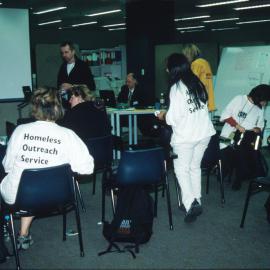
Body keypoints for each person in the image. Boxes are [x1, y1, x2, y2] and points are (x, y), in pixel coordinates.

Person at [0, 87, 94, 250]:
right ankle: (23, 234)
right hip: (58, 195)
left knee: (17, 183)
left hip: (21, 196)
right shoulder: (68, 135)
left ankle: (7, 227)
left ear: (35, 108)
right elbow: (87, 169)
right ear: (58, 108)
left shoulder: (20, 131)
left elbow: (7, 166)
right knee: (36, 185)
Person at [156, 53, 215, 223]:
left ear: (173, 68)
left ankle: (190, 204)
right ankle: (197, 199)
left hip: (186, 137)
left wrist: (163, 116)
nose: (166, 70)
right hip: (204, 133)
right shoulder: (197, 82)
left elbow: (173, 118)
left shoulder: (176, 88)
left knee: (182, 170)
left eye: (167, 66)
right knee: (195, 167)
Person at [219, 84, 270, 190]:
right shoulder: (239, 99)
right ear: (258, 97)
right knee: (237, 150)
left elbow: (260, 125)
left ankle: (239, 177)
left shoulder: (260, 108)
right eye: (264, 100)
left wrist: (257, 129)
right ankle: (230, 172)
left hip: (246, 137)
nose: (265, 103)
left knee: (245, 150)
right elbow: (224, 115)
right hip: (229, 134)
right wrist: (237, 125)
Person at [182, 44, 215, 112]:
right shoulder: (206, 63)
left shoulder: (196, 64)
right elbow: (208, 81)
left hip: (198, 100)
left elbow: (191, 82)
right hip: (207, 100)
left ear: (189, 54)